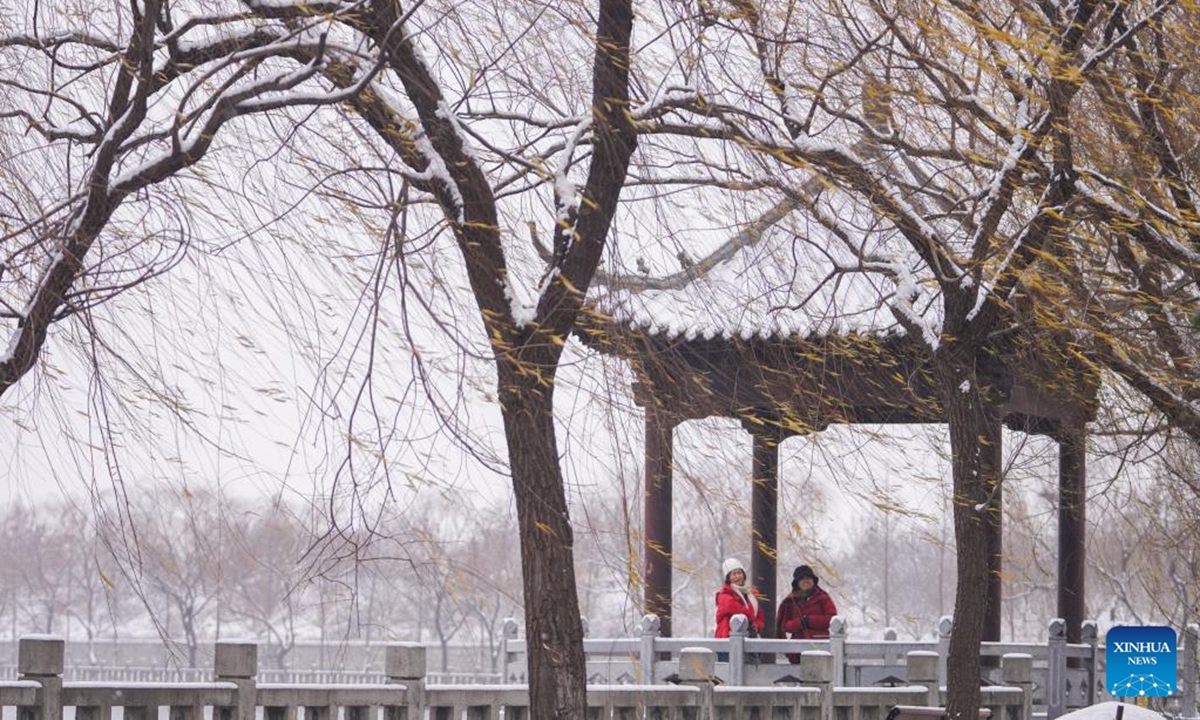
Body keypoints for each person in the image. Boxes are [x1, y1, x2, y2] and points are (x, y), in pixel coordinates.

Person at [776, 564, 838, 664]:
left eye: (808, 578)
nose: (806, 581)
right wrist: (800, 622)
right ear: (797, 582)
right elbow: (785, 626)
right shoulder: (790, 601)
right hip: (797, 650)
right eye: (802, 579)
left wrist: (809, 620)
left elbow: (832, 619)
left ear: (814, 580)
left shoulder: (823, 598)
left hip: (821, 647)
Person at [714, 557, 765, 661]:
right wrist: (752, 619)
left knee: (751, 669)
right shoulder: (724, 595)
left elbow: (759, 615)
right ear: (728, 578)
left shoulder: (750, 595)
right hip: (727, 640)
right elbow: (738, 610)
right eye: (734, 574)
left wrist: (757, 626)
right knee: (729, 670)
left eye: (739, 573)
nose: (737, 576)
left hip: (748, 638)